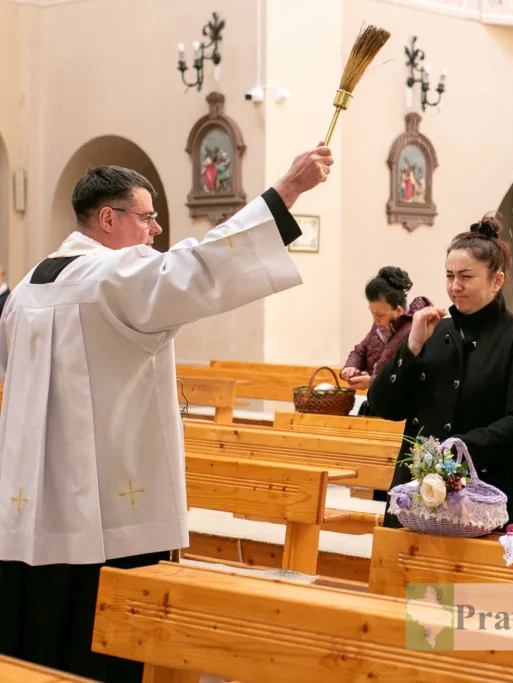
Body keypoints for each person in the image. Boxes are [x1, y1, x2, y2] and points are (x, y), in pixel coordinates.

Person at [0, 145, 332, 681]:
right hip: (108, 513)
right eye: (147, 216)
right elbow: (201, 266)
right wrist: (287, 191)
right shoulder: (114, 275)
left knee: (34, 652)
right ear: (108, 219)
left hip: (27, 508)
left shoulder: (28, 287)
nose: (155, 230)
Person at [369, 213, 513, 528]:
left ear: (497, 279)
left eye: (466, 276)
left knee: (475, 580)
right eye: (450, 275)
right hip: (419, 496)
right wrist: (410, 348)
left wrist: (456, 452)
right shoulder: (432, 332)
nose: (455, 286)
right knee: (411, 577)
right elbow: (384, 405)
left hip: (487, 490)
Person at [341, 267, 431, 400]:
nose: (375, 320)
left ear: (398, 311)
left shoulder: (415, 331)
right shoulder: (379, 327)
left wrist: (371, 381)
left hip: (402, 408)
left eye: (380, 315)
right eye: (372, 313)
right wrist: (350, 367)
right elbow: (361, 350)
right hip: (379, 402)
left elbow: (407, 374)